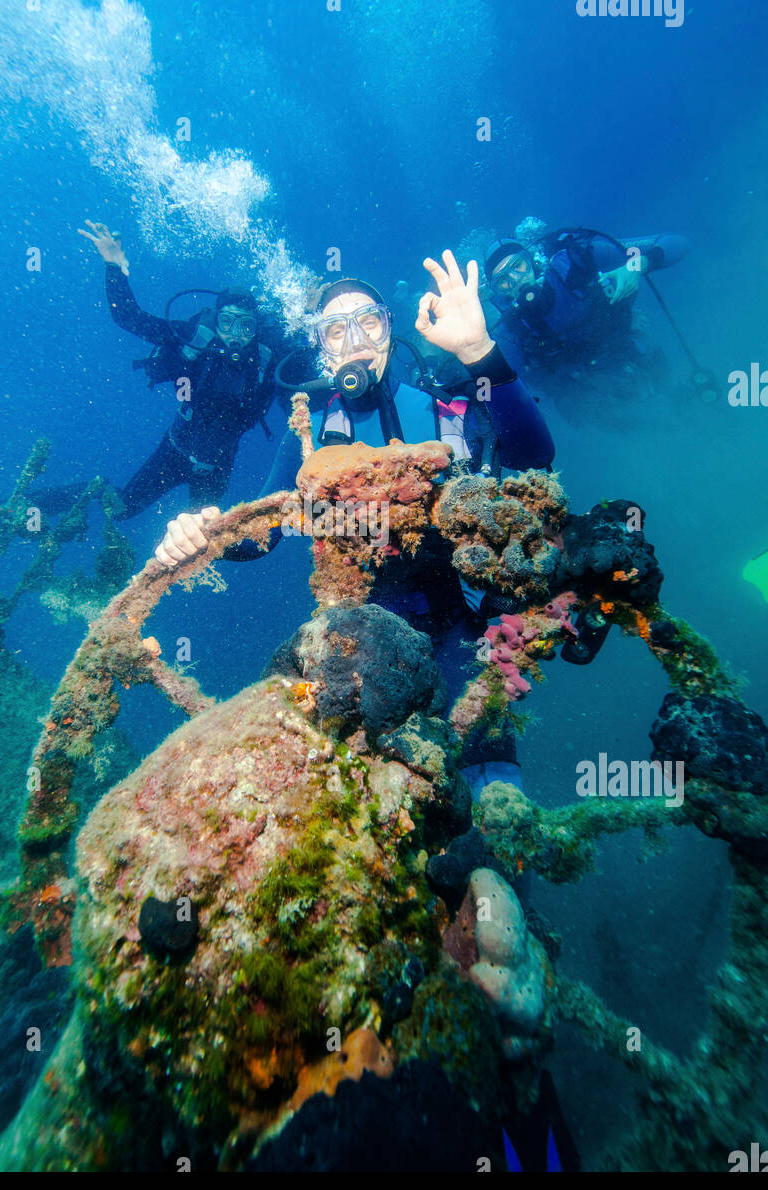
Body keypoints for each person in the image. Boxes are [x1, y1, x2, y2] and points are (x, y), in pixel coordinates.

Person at [155, 249, 554, 787]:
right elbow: (264, 532)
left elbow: (535, 456)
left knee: (490, 791)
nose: (356, 340)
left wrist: (479, 352)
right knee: (354, 788)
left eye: (369, 321)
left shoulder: (447, 408)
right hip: (357, 644)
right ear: (320, 347)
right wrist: (207, 535)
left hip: (461, 628)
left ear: (390, 328)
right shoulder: (310, 438)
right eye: (336, 330)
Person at [41, 221, 284, 522]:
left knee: (205, 535)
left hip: (215, 468)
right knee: (121, 510)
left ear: (256, 328)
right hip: (174, 452)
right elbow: (128, 317)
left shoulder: (266, 359)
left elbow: (305, 359)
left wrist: (310, 310)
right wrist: (114, 266)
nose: (235, 334)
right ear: (216, 320)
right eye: (227, 322)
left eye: (246, 326)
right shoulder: (194, 338)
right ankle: (84, 492)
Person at [482, 219, 690, 413]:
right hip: (589, 401)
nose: (516, 280)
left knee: (674, 396)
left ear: (532, 260)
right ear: (499, 291)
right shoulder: (510, 328)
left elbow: (677, 243)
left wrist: (636, 266)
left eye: (517, 266)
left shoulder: (576, 261)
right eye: (503, 280)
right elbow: (510, 395)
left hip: (630, 351)